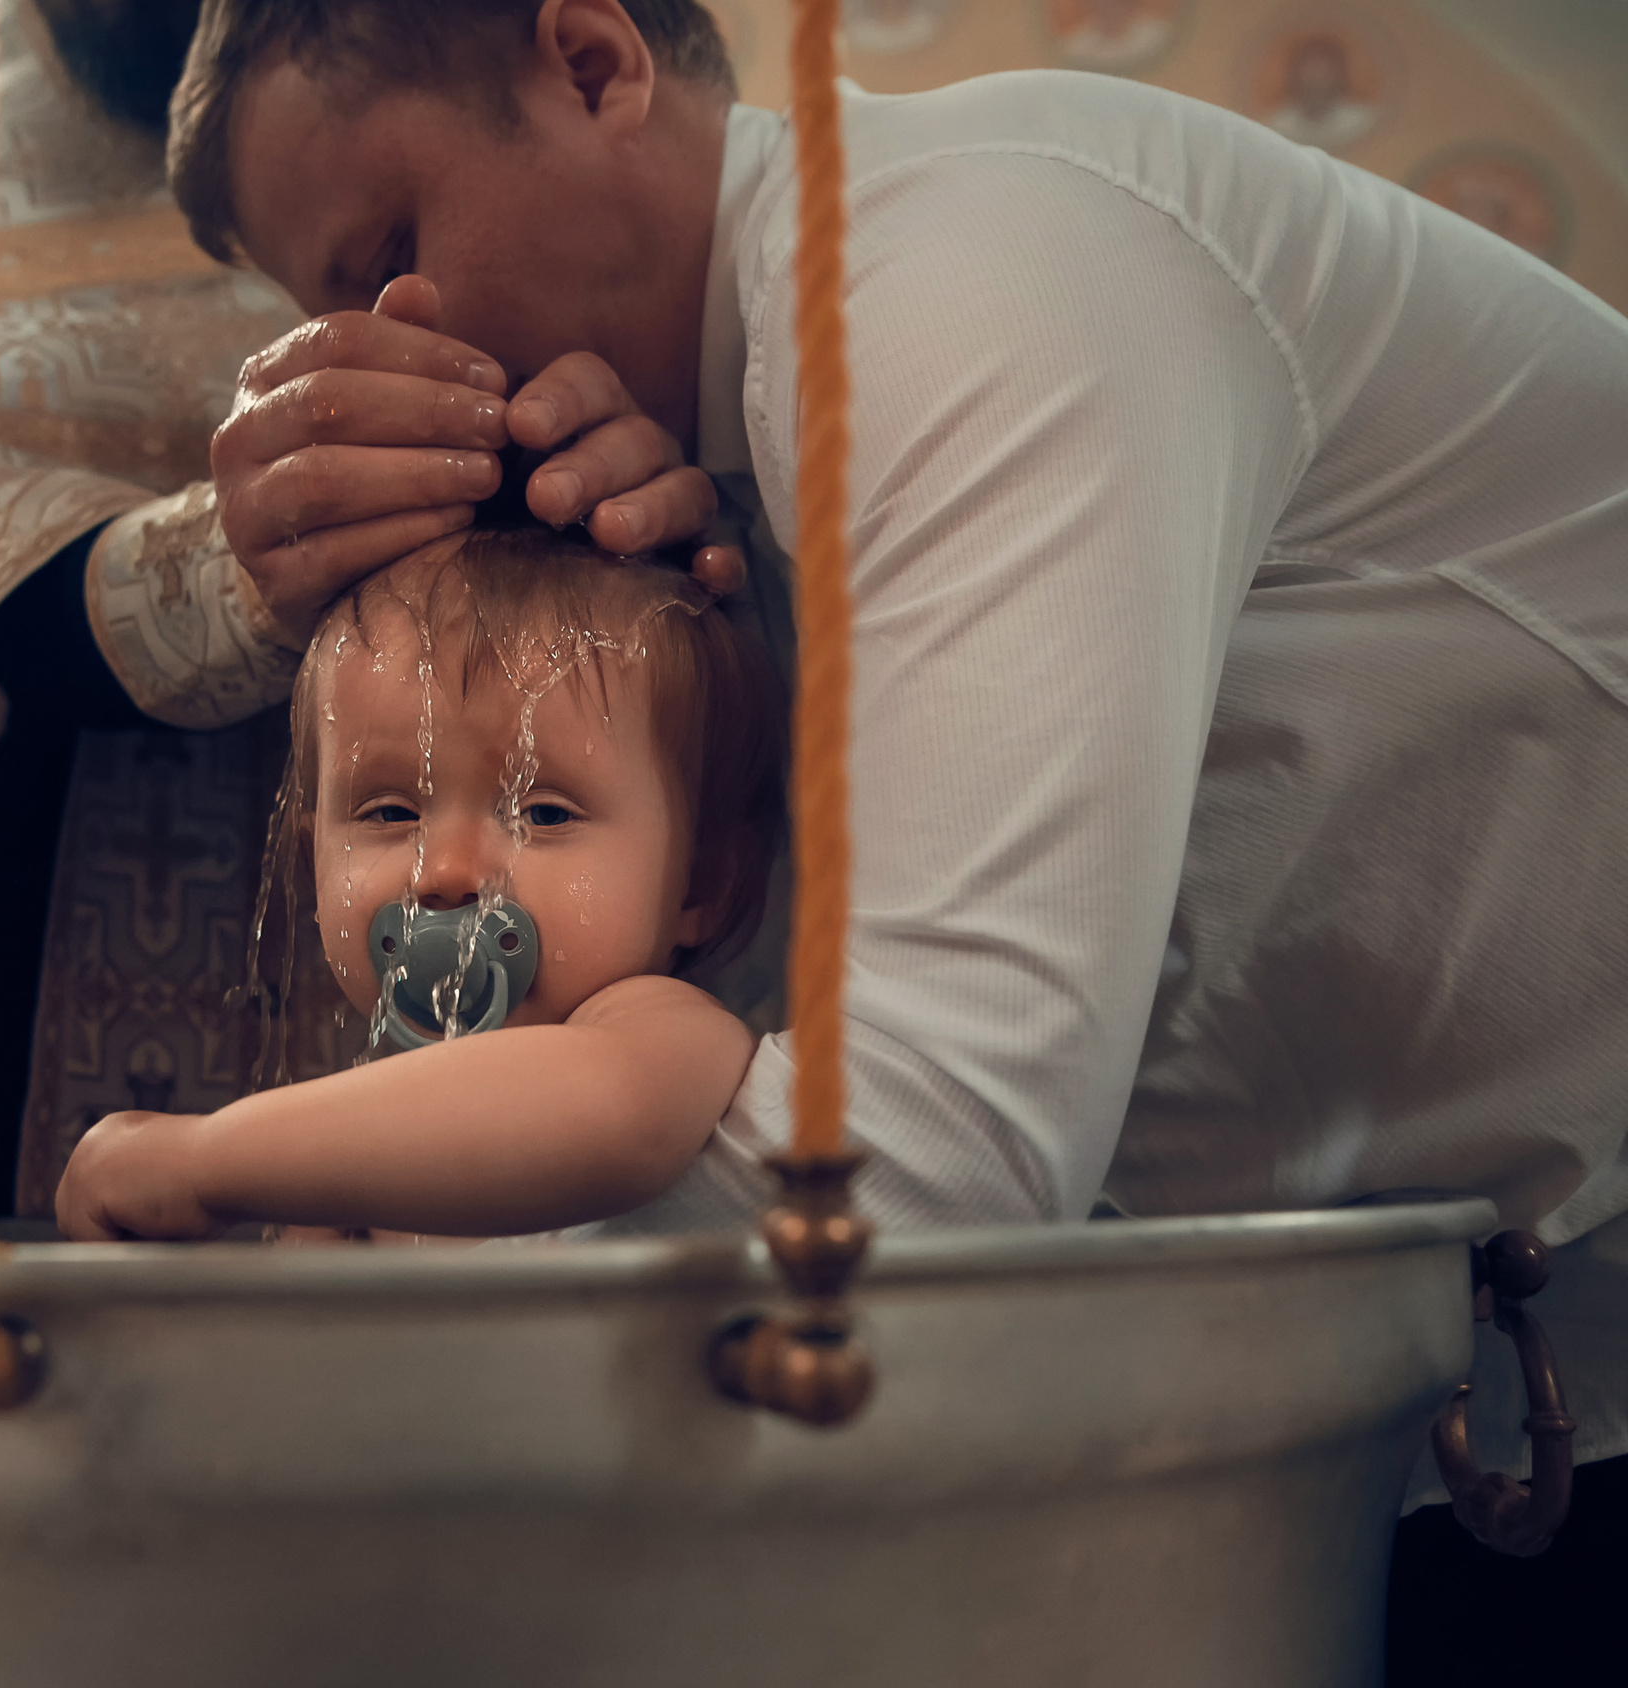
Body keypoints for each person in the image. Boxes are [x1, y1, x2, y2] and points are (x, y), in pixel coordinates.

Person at [162, 0, 1628, 1677]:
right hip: (1420, 1406)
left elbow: (934, 1161)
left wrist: (362, 1236)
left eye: (388, 258)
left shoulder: (973, 278)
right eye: (328, 322)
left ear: (589, 64)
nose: (379, 359)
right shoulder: (720, 470)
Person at [0, 0, 734, 1223]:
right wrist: (219, 568)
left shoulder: (471, 96)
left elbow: (626, 1090)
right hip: (64, 862)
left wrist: (592, 489)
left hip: (529, 860)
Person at [57, 525, 780, 1241]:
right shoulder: (346, 1157)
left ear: (699, 885)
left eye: (544, 813)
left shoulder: (663, 1036)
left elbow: (613, 1113)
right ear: (313, 866)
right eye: (392, 812)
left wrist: (206, 1160)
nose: (446, 872)